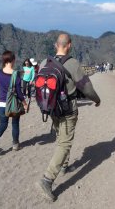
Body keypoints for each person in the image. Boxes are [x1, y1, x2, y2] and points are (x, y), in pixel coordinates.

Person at [36, 34, 101, 201]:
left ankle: (64, 166)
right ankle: (47, 180)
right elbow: (86, 87)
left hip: (51, 109)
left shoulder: (44, 63)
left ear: (55, 45)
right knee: (64, 143)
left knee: (60, 137)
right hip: (68, 110)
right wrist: (96, 99)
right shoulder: (72, 63)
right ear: (69, 45)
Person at [0, 51, 28, 157]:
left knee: (3, 125)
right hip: (13, 104)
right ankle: (15, 144)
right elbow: (18, 92)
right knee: (15, 124)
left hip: (2, 104)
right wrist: (24, 103)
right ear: (12, 60)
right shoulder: (16, 74)